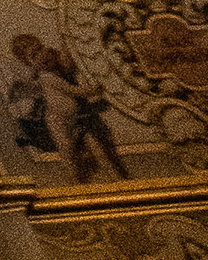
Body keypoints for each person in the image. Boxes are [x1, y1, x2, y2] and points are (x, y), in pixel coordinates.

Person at [9, 33, 124, 178]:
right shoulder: (43, 76)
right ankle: (78, 180)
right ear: (28, 63)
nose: (41, 55)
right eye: (34, 55)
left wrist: (67, 44)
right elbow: (72, 90)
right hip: (60, 117)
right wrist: (93, 90)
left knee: (100, 145)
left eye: (40, 48)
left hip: (79, 112)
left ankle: (118, 176)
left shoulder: (56, 59)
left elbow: (69, 62)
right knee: (70, 150)